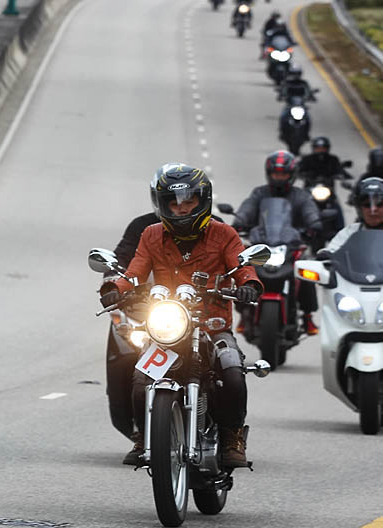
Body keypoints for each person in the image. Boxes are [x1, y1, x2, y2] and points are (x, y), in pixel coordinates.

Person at [100, 164, 263, 468]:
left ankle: (232, 437)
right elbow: (134, 272)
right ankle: (147, 439)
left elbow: (242, 266)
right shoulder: (150, 234)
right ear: (162, 205)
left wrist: (248, 284)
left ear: (203, 201)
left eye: (188, 201)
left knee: (233, 374)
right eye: (173, 203)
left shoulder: (223, 233)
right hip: (168, 328)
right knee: (139, 382)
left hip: (212, 325)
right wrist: (114, 288)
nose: (181, 208)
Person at [233, 150, 322, 335]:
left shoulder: (301, 196)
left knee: (306, 272)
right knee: (241, 270)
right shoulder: (259, 193)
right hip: (263, 245)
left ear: (291, 175)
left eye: (283, 174)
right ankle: (244, 313)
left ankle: (307, 317)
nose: (279, 178)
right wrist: (239, 221)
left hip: (289, 246)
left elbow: (309, 210)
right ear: (269, 174)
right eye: (276, 174)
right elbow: (247, 207)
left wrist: (314, 223)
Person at [298, 136, 352, 231]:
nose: (320, 150)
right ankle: (296, 228)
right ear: (314, 148)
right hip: (309, 190)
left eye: (323, 148)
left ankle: (341, 231)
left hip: (328, 191)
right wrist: (300, 174)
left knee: (336, 207)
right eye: (318, 148)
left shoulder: (333, 160)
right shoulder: (307, 159)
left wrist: (342, 176)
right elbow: (298, 169)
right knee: (299, 205)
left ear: (327, 148)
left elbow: (339, 170)